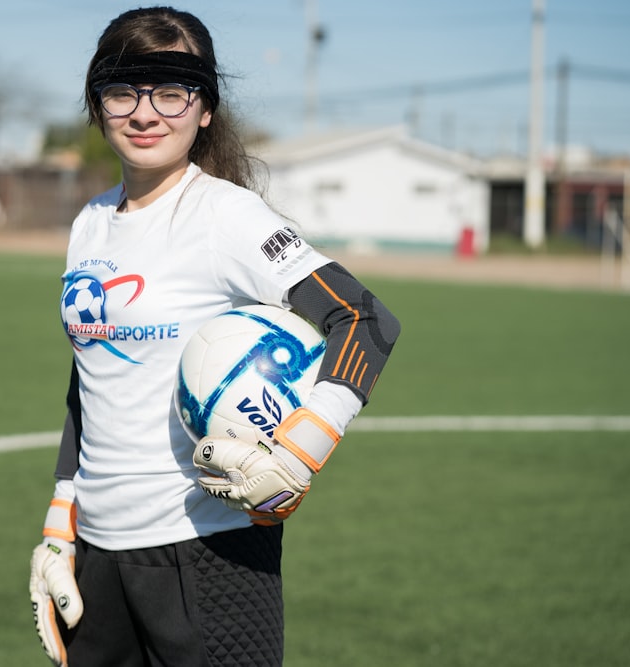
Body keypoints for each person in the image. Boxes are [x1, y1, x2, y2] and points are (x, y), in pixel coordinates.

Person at [28, 6, 401, 666]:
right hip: (98, 559)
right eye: (123, 90)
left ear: (205, 108)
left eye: (171, 90)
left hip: (209, 554)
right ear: (97, 104)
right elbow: (92, 375)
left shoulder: (226, 215)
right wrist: (62, 518)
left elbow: (365, 319)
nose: (146, 113)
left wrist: (299, 452)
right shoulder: (89, 223)